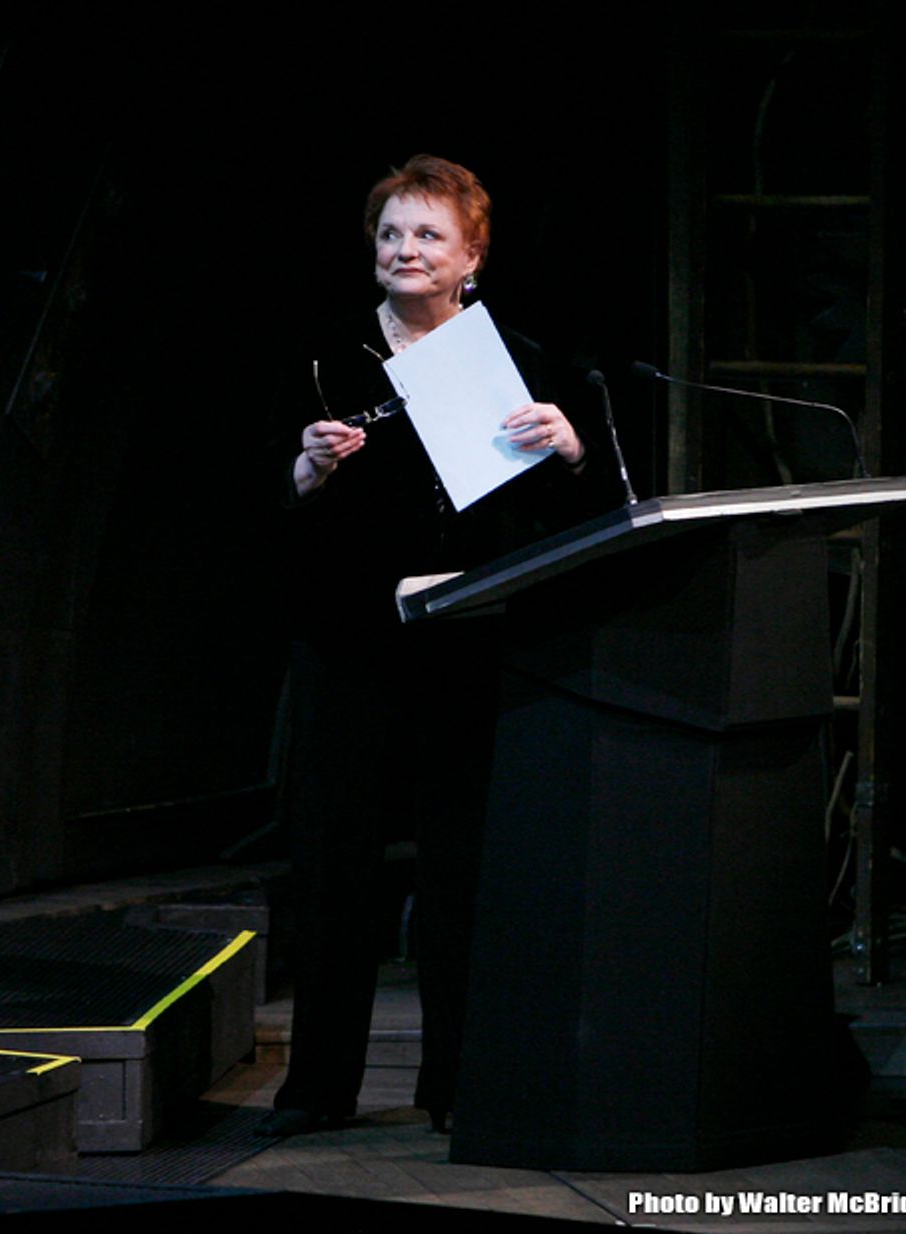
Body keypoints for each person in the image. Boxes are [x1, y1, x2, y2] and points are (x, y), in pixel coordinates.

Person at [257, 154, 612, 1138]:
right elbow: (258, 513)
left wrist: (572, 447)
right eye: (391, 234)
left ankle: (457, 1081)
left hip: (468, 644)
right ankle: (318, 1089)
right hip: (349, 643)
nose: (405, 251)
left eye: (427, 235)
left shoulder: (526, 364)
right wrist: (306, 469)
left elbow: (593, 503)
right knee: (335, 868)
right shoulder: (326, 359)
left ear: (472, 257)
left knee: (465, 870)